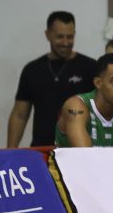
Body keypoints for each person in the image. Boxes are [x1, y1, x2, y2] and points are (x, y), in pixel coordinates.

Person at [6, 11, 100, 148]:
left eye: (70, 37)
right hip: (41, 150)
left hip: (78, 150)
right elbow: (20, 115)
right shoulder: (32, 70)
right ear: (47, 34)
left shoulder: (91, 67)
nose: (65, 42)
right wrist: (10, 151)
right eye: (60, 37)